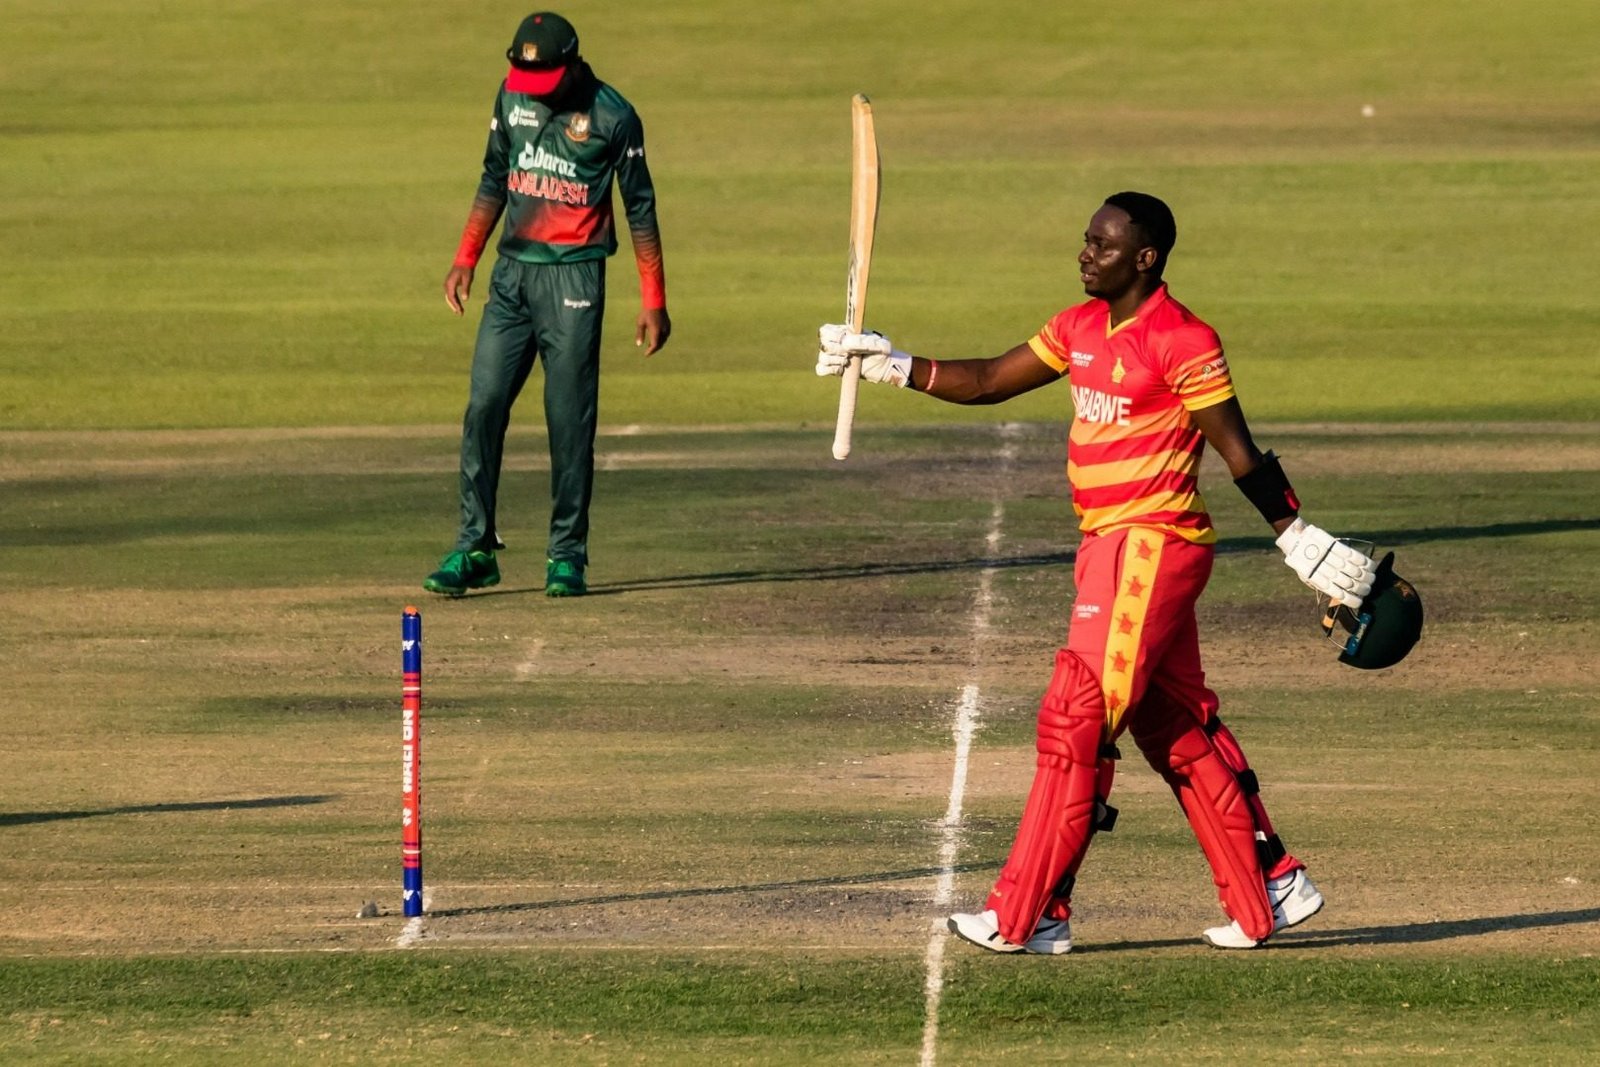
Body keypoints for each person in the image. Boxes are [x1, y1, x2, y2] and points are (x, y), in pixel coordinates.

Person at [815, 192, 1378, 952]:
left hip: (1152, 543)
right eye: (1086, 240)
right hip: (1106, 546)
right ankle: (1271, 885)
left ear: (1146, 258)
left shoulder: (1183, 340)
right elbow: (989, 379)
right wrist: (891, 364)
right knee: (1170, 723)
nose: (1086, 254)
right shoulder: (1078, 326)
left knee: (1074, 718)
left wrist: (1296, 534)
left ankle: (1028, 912)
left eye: (1103, 246)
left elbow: (1239, 450)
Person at [424, 11, 670, 599]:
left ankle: (567, 555)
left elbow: (640, 207)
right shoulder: (511, 97)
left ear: (574, 64)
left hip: (574, 279)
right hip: (511, 278)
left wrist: (654, 299)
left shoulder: (614, 116)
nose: (534, 92)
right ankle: (474, 547)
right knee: (483, 405)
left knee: (568, 420)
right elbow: (494, 176)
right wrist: (465, 257)